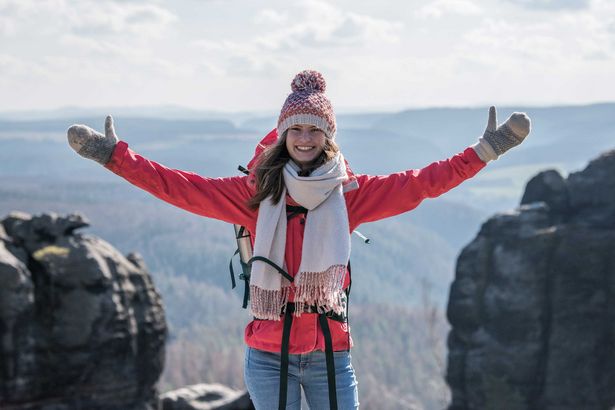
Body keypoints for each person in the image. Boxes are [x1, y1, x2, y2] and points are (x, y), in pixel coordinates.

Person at [67, 69, 531, 409]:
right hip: (269, 356)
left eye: (314, 130)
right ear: (283, 134)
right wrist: (116, 158)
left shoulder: (350, 194)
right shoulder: (253, 193)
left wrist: (484, 152)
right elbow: (179, 188)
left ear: (328, 137)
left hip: (332, 354)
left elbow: (421, 183)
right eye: (296, 129)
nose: (304, 138)